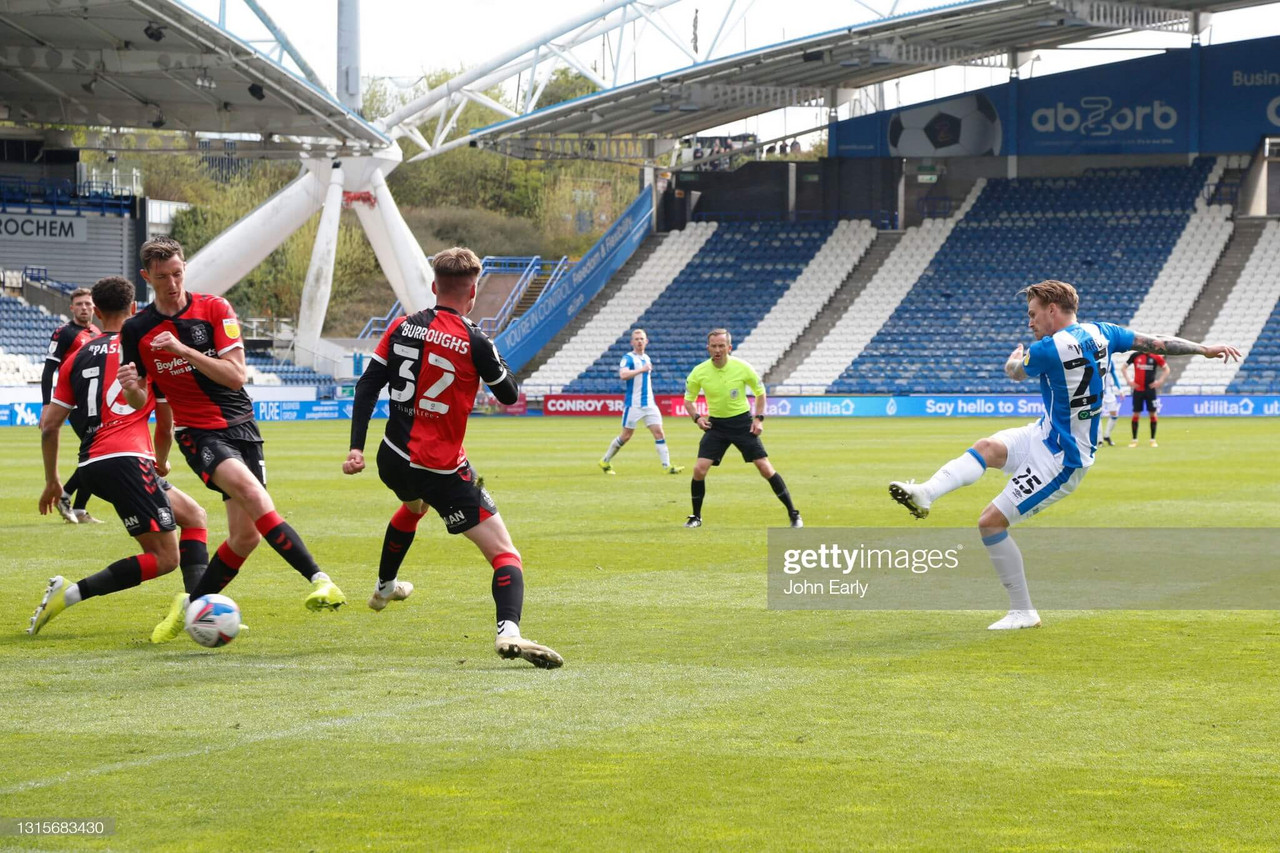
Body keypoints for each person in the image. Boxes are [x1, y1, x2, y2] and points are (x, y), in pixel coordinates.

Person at [888, 280, 1239, 630]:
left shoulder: (1045, 349)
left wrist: (1013, 361)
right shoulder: (1104, 332)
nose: (1030, 322)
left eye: (1033, 313)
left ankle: (1023, 611)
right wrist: (1204, 349)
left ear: (1052, 310)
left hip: (1064, 458)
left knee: (990, 523)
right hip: (1045, 432)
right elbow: (1160, 343)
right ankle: (927, 493)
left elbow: (1015, 373)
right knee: (986, 448)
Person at [343, 247, 563, 669]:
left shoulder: (402, 326)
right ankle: (508, 631)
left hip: (392, 458)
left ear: (433, 287)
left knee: (412, 505)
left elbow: (367, 385)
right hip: (443, 468)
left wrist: (356, 447)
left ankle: (385, 585)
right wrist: (490, 355)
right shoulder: (476, 339)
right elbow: (509, 395)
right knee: (505, 554)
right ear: (474, 292)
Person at [118, 236, 344, 643]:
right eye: (162, 277)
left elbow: (236, 375)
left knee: (245, 536)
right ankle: (320, 579)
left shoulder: (215, 309)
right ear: (146, 277)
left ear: (184, 268)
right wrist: (132, 386)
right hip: (197, 432)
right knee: (252, 495)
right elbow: (141, 398)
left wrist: (184, 350)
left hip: (242, 426)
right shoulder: (137, 329)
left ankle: (190, 607)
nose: (172, 283)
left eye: (177, 273)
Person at [29, 276, 210, 636]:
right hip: (128, 458)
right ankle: (70, 593)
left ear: (95, 311)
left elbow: (49, 425)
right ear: (133, 309)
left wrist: (53, 480)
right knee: (165, 558)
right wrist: (161, 460)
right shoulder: (144, 350)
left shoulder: (76, 356)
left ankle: (200, 610)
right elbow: (164, 422)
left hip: (93, 462)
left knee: (194, 516)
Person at [682, 329, 801, 529]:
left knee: (765, 468)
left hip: (742, 424)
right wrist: (697, 418)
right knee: (699, 469)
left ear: (729, 347)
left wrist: (759, 418)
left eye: (722, 346)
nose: (718, 350)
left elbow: (760, 392)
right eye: (714, 346)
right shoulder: (699, 372)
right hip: (717, 425)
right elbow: (689, 400)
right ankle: (696, 517)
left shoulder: (742, 367)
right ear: (708, 348)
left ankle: (794, 514)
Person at [41, 287, 102, 524]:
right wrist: (46, 406)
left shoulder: (97, 331)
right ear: (72, 308)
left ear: (94, 307)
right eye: (80, 304)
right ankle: (65, 497)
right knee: (94, 455)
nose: (84, 308)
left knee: (94, 455)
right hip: (75, 405)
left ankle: (77, 509)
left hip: (96, 404)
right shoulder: (64, 333)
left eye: (88, 304)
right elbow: (48, 372)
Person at [598, 329, 684, 476]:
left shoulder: (647, 358)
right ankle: (605, 461)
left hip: (649, 403)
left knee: (659, 432)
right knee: (626, 436)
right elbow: (623, 375)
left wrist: (644, 369)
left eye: (641, 339)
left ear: (646, 341)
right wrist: (641, 370)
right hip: (634, 404)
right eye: (636, 339)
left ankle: (667, 466)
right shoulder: (628, 358)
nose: (639, 341)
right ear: (632, 342)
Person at [1124, 349, 1170, 447]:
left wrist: (1160, 381)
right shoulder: (1135, 355)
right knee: (1136, 413)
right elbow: (1123, 368)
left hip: (1150, 390)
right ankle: (1134, 440)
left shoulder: (1156, 356)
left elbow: (1166, 369)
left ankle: (1153, 440)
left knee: (1153, 413)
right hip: (1138, 390)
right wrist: (1129, 381)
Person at [1099, 352, 1126, 446]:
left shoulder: (1110, 362)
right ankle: (1099, 440)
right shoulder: (1095, 360)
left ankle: (1107, 435)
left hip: (1109, 392)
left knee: (1114, 414)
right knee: (1097, 416)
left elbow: (1114, 375)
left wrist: (1120, 390)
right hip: (1098, 392)